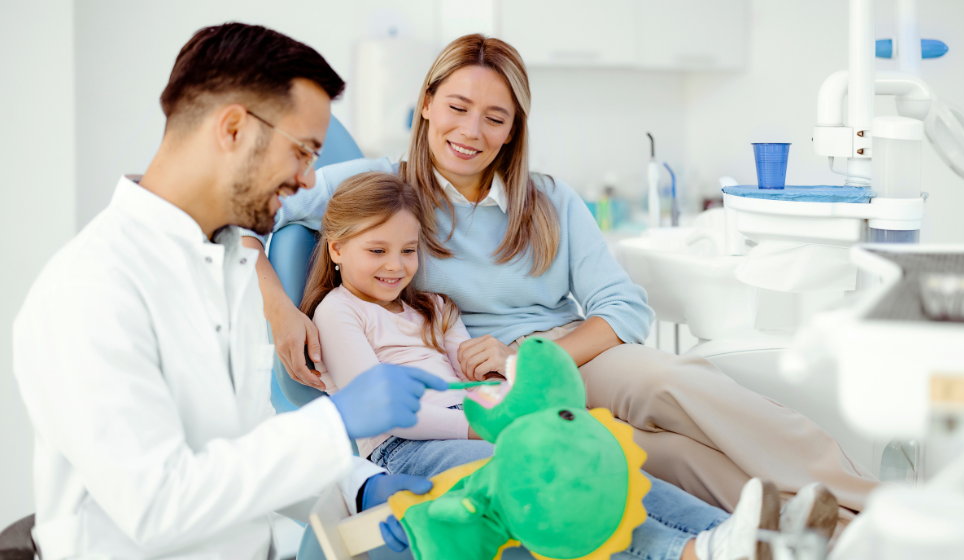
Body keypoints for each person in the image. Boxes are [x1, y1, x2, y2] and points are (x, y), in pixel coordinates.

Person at [242, 34, 878, 528]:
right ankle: (805, 534)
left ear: (514, 126)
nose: (471, 132)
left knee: (667, 381)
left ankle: (866, 504)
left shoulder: (546, 199)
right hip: (475, 380)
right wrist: (279, 308)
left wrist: (531, 358)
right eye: (459, 107)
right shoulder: (380, 190)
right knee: (644, 454)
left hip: (564, 353)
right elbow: (244, 213)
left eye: (496, 117)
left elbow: (622, 308)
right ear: (428, 103)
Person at [12, 23, 442, 560]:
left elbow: (247, 443)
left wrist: (361, 485)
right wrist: (335, 423)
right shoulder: (91, 288)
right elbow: (157, 505)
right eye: (303, 152)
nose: (309, 180)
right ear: (234, 128)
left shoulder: (230, 263)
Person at [292, 170, 841, 560]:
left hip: (484, 421)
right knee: (548, 478)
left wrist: (504, 385)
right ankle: (689, 551)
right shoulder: (339, 312)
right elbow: (381, 411)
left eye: (408, 250)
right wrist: (475, 418)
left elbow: (472, 369)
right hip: (405, 445)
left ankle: (745, 538)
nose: (396, 266)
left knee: (601, 456)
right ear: (336, 249)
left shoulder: (434, 305)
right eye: (377, 251)